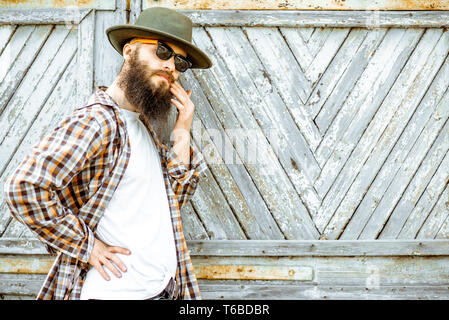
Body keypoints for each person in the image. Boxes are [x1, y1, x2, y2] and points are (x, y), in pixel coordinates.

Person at [3, 7, 212, 300]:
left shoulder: (139, 126)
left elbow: (173, 198)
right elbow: (23, 189)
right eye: (163, 51)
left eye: (180, 62)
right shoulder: (98, 121)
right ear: (129, 51)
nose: (171, 67)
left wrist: (183, 126)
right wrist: (88, 247)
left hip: (158, 289)